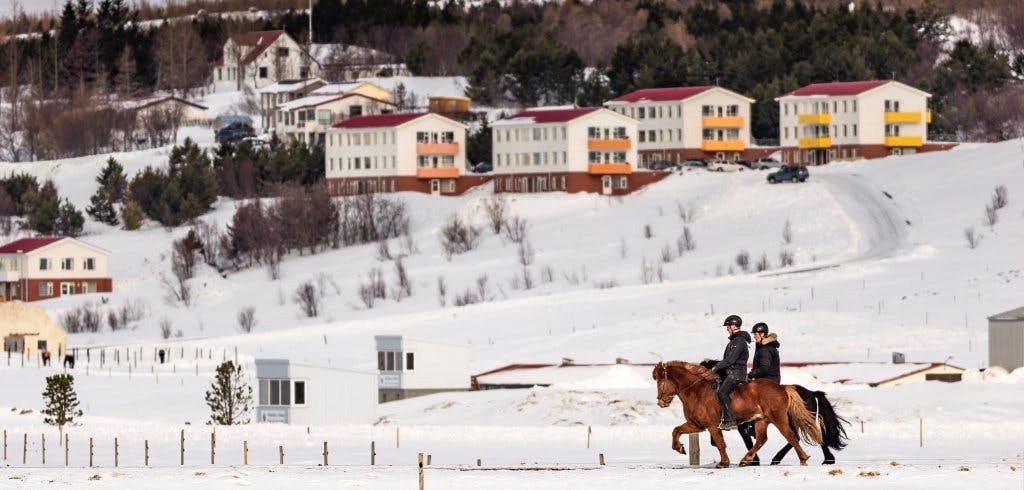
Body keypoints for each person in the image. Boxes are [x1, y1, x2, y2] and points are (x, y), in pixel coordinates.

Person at [711, 314, 750, 430]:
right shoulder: (734, 341)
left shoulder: (739, 341)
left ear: (734, 326)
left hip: (736, 374)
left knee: (722, 393)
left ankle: (730, 420)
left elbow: (730, 360)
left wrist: (716, 367)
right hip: (731, 372)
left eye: (728, 326)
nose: (727, 329)